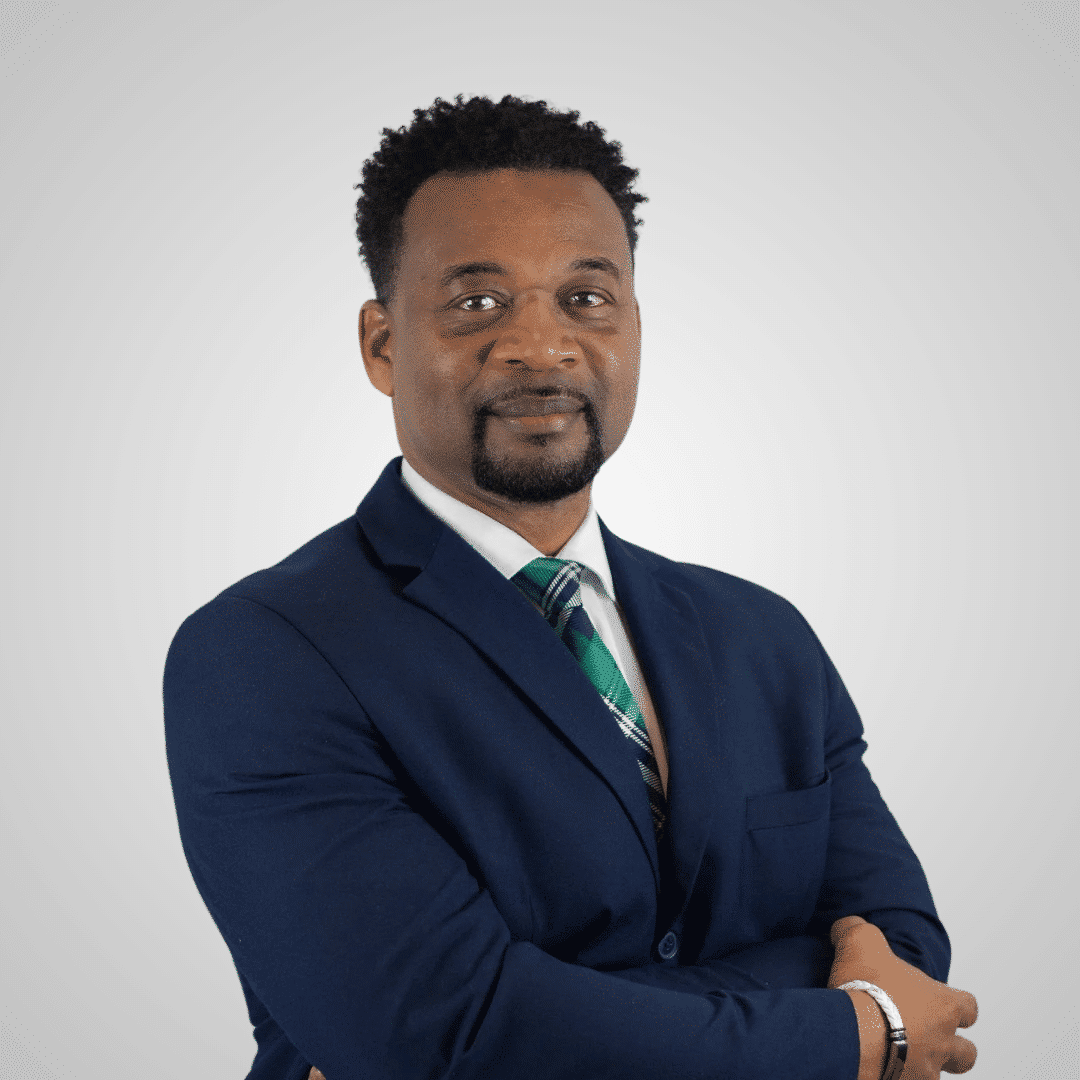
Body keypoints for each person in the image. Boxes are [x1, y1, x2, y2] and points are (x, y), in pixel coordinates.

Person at [164, 94, 978, 1080]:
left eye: (585, 298)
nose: (541, 346)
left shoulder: (763, 637)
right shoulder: (264, 654)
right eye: (478, 303)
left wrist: (560, 1013)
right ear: (383, 345)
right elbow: (443, 1037)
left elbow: (903, 947)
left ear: (634, 324)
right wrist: (849, 1033)